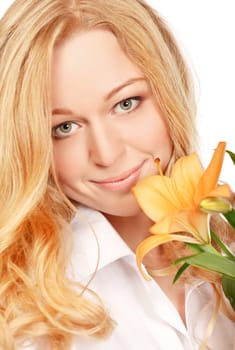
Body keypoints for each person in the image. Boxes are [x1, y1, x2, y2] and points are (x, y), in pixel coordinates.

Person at [0, 0, 234, 349]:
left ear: (169, 89)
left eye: (126, 103)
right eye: (64, 127)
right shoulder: (20, 313)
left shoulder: (226, 245)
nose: (107, 154)